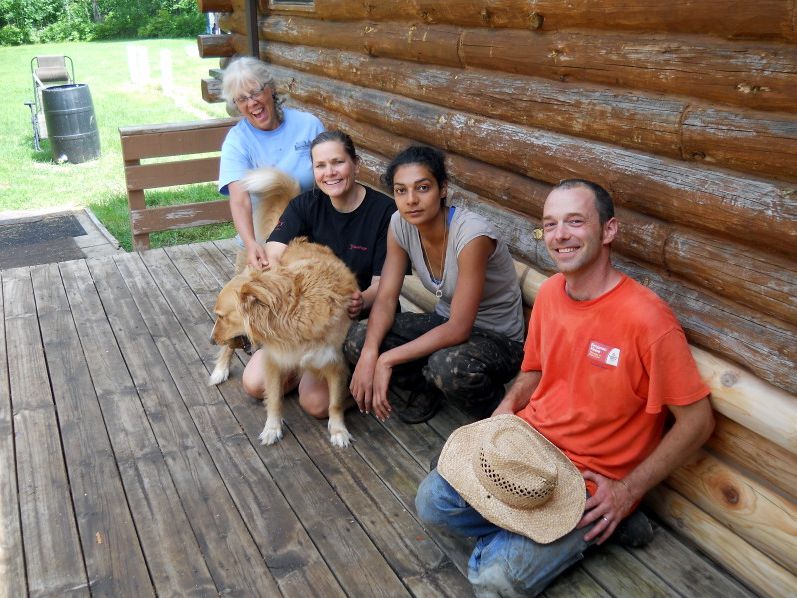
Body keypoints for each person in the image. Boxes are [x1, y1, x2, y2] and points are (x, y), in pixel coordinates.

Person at [415, 179, 715, 596]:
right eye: (550, 224)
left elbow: (698, 421)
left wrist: (629, 490)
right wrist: (505, 409)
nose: (559, 235)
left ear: (608, 230)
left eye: (575, 221)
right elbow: (534, 370)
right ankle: (546, 534)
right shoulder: (553, 292)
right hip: (528, 458)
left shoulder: (648, 320)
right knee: (432, 502)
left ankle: (596, 524)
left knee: (494, 579)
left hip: (588, 481)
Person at [346, 145, 525, 424]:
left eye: (423, 188)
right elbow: (386, 298)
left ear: (442, 189)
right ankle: (428, 386)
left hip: (498, 339)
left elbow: (459, 327)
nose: (411, 200)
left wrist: (386, 359)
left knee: (448, 366)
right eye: (400, 190)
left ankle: (493, 420)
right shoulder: (399, 224)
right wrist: (370, 353)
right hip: (444, 323)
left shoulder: (471, 236)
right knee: (358, 339)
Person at [242, 130, 396, 418]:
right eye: (321, 166)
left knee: (315, 404)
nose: (330, 173)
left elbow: (384, 286)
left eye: (338, 162)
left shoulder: (384, 212)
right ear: (313, 170)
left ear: (356, 164)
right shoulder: (305, 205)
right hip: (305, 319)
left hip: (352, 321)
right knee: (253, 383)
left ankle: (352, 378)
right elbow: (274, 252)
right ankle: (304, 370)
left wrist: (360, 300)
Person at [218, 56, 325, 270]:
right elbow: (240, 201)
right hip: (263, 244)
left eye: (256, 92)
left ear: (271, 88)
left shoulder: (309, 126)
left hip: (310, 243)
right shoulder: (237, 141)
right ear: (236, 105)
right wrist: (250, 245)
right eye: (241, 99)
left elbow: (331, 180)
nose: (252, 103)